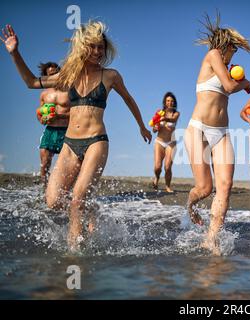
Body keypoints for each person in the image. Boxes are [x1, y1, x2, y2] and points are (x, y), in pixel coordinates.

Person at [1, 22, 152, 251]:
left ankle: (75, 257)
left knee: (76, 199)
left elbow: (129, 100)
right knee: (52, 202)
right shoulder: (68, 76)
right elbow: (31, 82)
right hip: (70, 144)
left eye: (101, 47)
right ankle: (92, 210)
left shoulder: (110, 76)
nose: (98, 52)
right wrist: (15, 53)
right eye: (93, 47)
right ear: (83, 47)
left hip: (96, 142)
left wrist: (142, 126)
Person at [184, 13, 250, 255]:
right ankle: (190, 205)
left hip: (221, 132)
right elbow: (229, 87)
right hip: (198, 130)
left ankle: (211, 239)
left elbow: (228, 86)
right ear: (226, 45)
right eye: (234, 49)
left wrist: (238, 79)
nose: (235, 54)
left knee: (225, 185)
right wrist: (245, 84)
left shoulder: (227, 67)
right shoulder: (212, 56)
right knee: (204, 188)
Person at [36, 62, 70, 187]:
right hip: (50, 131)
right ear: (46, 77)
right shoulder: (44, 94)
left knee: (68, 164)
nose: (54, 76)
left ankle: (66, 191)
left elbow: (78, 114)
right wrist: (42, 119)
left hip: (67, 131)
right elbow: (39, 113)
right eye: (50, 75)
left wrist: (59, 116)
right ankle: (44, 191)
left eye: (56, 73)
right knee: (44, 164)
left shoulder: (70, 91)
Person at [152, 92, 179, 193]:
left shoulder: (176, 113)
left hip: (171, 143)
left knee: (167, 166)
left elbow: (173, 120)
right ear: (165, 102)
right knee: (157, 167)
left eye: (172, 101)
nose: (170, 103)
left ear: (174, 103)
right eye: (168, 101)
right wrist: (155, 127)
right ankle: (157, 177)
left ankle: (167, 186)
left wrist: (165, 119)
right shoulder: (159, 112)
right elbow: (154, 129)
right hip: (159, 142)